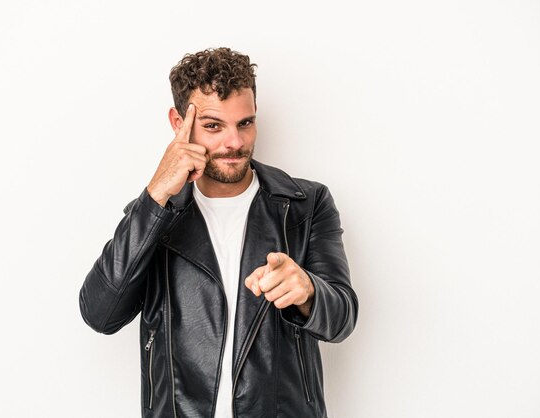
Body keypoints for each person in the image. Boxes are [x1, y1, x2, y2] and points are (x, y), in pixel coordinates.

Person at [79, 47, 358, 418]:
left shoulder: (305, 204)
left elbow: (342, 319)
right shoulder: (152, 217)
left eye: (245, 123)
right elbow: (100, 313)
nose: (235, 143)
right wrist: (158, 192)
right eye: (213, 126)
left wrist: (308, 291)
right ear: (179, 123)